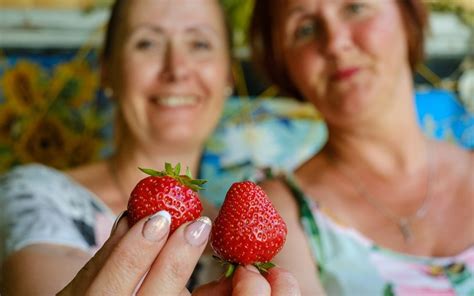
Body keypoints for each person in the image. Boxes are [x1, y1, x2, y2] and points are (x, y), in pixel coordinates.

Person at [0, 0, 301, 295]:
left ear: (228, 76)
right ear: (107, 71)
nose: (177, 69)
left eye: (199, 44)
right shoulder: (36, 194)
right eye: (147, 43)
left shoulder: (248, 224)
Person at [250, 0, 474, 295]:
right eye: (305, 29)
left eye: (355, 8)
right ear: (283, 64)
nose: (335, 43)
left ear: (408, 19)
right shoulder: (274, 212)